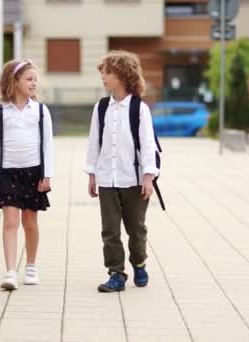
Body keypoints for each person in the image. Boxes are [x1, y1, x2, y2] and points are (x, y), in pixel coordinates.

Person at [85, 51, 159, 293]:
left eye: (107, 72)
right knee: (110, 229)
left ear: (122, 75)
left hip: (134, 180)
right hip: (107, 178)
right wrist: (92, 174)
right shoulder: (102, 107)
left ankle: (139, 263)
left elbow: (148, 144)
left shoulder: (139, 109)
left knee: (136, 229)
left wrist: (148, 176)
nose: (103, 77)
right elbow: (94, 143)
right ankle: (116, 273)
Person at [0, 59, 53, 291]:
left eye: (35, 79)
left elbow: (47, 146)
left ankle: (31, 266)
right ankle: (10, 272)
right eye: (29, 79)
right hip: (8, 174)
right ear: (15, 82)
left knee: (30, 223)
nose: (34, 83)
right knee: (10, 222)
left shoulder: (41, 111)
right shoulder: (1, 112)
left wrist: (47, 175)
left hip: (33, 173)